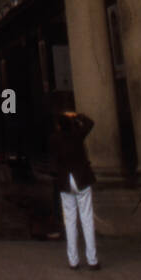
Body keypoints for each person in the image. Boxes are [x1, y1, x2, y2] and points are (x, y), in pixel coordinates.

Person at [49, 107, 100, 270]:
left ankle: (73, 260)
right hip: (81, 179)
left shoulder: (55, 139)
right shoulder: (77, 135)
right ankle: (92, 259)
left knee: (69, 221)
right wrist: (77, 116)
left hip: (65, 181)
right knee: (86, 218)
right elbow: (90, 123)